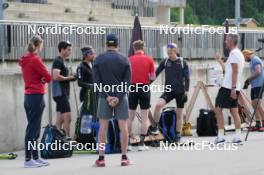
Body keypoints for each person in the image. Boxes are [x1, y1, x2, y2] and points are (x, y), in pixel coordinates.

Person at [92, 34, 131, 167]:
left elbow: (96, 82)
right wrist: (118, 97)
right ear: (117, 44)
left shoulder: (98, 59)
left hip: (104, 97)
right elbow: (127, 82)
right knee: (123, 127)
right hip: (121, 97)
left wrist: (107, 96)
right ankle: (124, 157)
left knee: (102, 128)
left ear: (106, 44)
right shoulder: (124, 59)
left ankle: (101, 158)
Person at [19, 35, 51, 168]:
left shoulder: (25, 59)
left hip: (28, 96)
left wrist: (40, 79)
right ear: (39, 45)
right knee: (32, 129)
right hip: (36, 96)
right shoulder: (35, 59)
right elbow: (48, 77)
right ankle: (28, 159)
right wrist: (42, 80)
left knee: (35, 128)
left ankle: (35, 157)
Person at [149, 43, 190, 143]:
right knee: (158, 105)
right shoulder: (165, 61)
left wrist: (186, 91)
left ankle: (177, 135)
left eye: (171, 53)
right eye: (168, 53)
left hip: (180, 92)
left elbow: (187, 78)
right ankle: (154, 127)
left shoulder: (182, 62)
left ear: (175, 51)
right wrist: (147, 83)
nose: (169, 55)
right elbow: (156, 73)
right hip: (168, 90)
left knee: (179, 114)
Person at [214, 34, 245, 144]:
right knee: (234, 111)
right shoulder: (237, 54)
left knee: (217, 109)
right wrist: (219, 60)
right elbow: (228, 71)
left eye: (227, 40)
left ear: (232, 41)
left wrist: (232, 88)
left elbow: (235, 72)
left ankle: (221, 136)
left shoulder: (234, 54)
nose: (225, 42)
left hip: (228, 86)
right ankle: (238, 137)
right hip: (233, 86)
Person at [127, 40, 155, 151]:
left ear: (134, 48)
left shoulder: (129, 60)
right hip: (144, 87)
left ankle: (128, 143)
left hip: (133, 88)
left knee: (130, 117)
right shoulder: (149, 59)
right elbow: (152, 77)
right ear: (143, 48)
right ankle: (141, 144)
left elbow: (126, 76)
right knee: (144, 117)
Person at [52, 41, 76, 139]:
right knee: (68, 117)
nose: (70, 52)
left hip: (62, 93)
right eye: (68, 50)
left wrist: (70, 77)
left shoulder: (62, 61)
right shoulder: (58, 61)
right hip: (60, 93)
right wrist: (69, 78)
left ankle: (57, 140)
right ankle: (66, 139)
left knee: (60, 118)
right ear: (62, 49)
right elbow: (56, 76)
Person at [242, 49, 264, 131]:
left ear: (246, 55)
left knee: (257, 103)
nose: (244, 60)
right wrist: (249, 82)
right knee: (254, 104)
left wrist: (249, 79)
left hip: (259, 84)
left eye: (244, 57)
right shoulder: (251, 61)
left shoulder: (255, 59)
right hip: (254, 85)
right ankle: (258, 124)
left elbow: (258, 71)